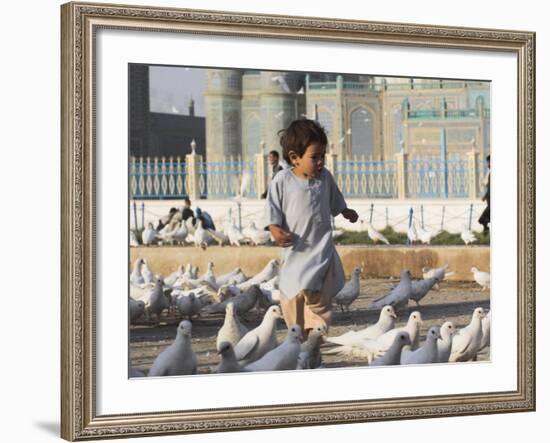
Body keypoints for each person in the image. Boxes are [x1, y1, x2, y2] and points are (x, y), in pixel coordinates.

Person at [264, 119, 358, 336]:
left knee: (320, 303)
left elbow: (335, 199)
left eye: (322, 156)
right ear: (294, 158)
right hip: (296, 253)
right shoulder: (282, 181)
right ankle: (298, 338)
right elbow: (272, 208)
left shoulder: (325, 179)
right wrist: (274, 228)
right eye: (314, 157)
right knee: (291, 299)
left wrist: (345, 211)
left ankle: (314, 339)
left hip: (321, 253)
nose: (320, 162)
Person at [478, 155, 490, 233]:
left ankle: (486, 230)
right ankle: (486, 230)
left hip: (491, 201)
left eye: (489, 162)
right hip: (489, 200)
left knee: (482, 219)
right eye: (488, 162)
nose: (488, 164)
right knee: (484, 219)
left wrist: (485, 196)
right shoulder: (489, 172)